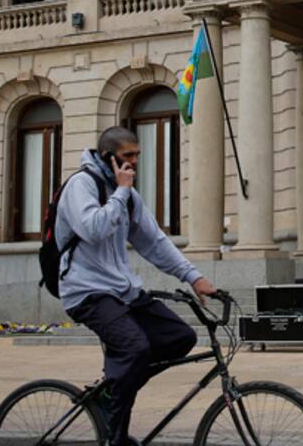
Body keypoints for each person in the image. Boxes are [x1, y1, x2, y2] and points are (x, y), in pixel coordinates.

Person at [57, 126, 217, 446]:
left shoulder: (128, 196)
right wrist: (120, 191)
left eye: (137, 156)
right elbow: (93, 229)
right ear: (108, 157)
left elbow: (154, 242)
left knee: (179, 337)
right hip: (86, 291)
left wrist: (193, 277)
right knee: (135, 347)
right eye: (127, 156)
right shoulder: (81, 185)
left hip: (121, 291)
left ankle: (111, 394)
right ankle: (111, 410)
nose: (134, 162)